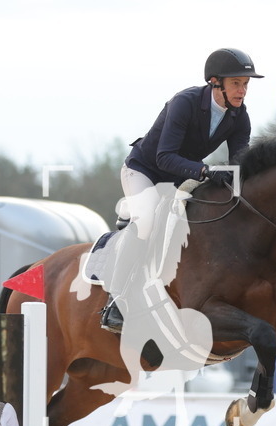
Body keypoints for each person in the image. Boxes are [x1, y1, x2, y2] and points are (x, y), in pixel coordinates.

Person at [100, 47, 263, 332]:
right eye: (236, 83)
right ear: (216, 82)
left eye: (246, 84)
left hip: (179, 178)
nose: (243, 91)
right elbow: (164, 157)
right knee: (147, 220)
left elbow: (240, 165)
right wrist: (205, 170)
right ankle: (117, 300)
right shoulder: (185, 103)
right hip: (145, 171)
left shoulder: (239, 117)